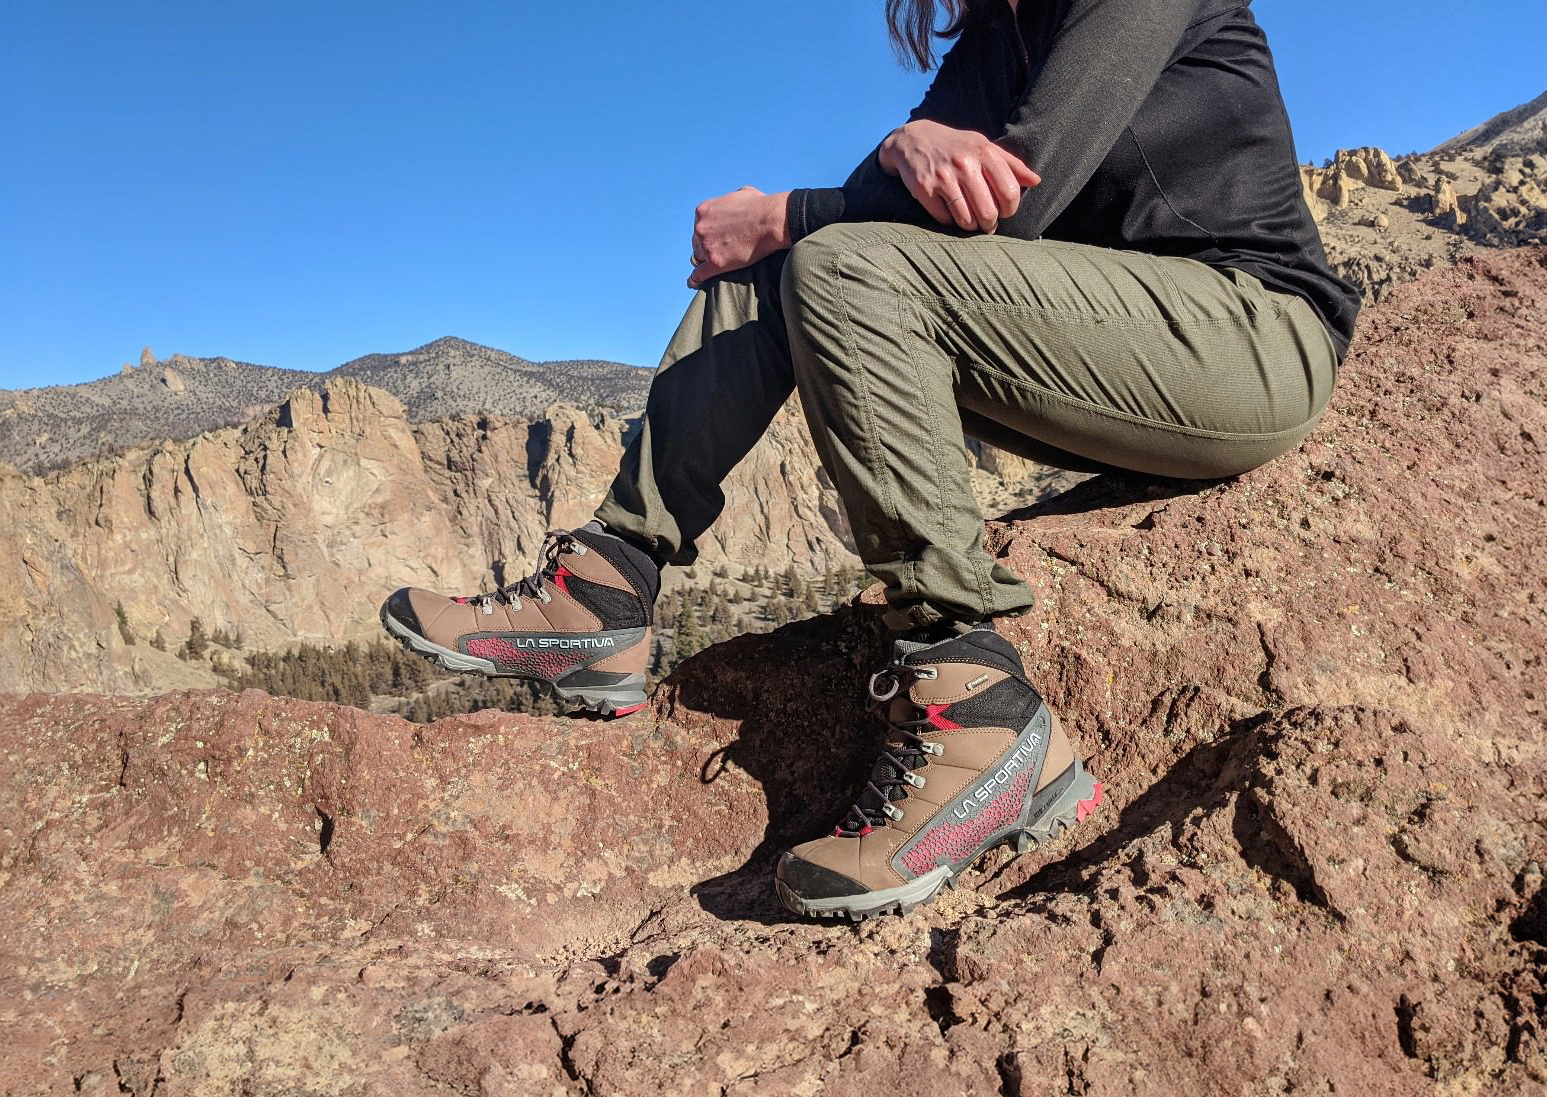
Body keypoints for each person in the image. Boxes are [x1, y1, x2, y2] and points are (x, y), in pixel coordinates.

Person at [380, 0, 1360, 921]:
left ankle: (978, 705)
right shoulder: (996, 37)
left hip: (1247, 339)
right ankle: (607, 585)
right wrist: (887, 158)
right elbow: (886, 205)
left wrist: (845, 183)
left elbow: (1016, 190)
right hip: (1100, 361)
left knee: (828, 258)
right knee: (773, 265)